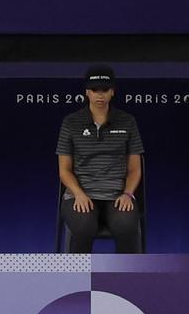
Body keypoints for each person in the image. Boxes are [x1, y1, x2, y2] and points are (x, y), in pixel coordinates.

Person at [57, 65, 144, 253]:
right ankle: (76, 280)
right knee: (84, 227)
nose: (100, 94)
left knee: (126, 226)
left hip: (117, 195)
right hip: (80, 195)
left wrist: (128, 193)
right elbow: (64, 170)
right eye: (95, 89)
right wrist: (78, 193)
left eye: (105, 89)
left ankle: (126, 281)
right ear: (87, 92)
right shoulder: (71, 122)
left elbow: (135, 169)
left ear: (112, 92)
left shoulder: (128, 121)